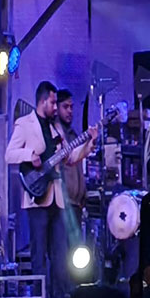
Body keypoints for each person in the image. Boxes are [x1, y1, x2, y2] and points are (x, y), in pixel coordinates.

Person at [4, 81, 88, 298]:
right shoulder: (25, 124)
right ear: (42, 102)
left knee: (60, 255)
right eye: (53, 102)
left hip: (58, 199)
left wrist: (89, 143)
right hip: (37, 197)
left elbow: (69, 158)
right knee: (38, 255)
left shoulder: (56, 129)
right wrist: (29, 155)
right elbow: (9, 154)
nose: (55, 106)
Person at [55, 88, 97, 258]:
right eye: (66, 107)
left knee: (76, 255)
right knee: (63, 254)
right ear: (56, 108)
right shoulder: (56, 136)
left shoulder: (73, 134)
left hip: (77, 205)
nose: (70, 111)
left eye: (72, 107)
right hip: (64, 205)